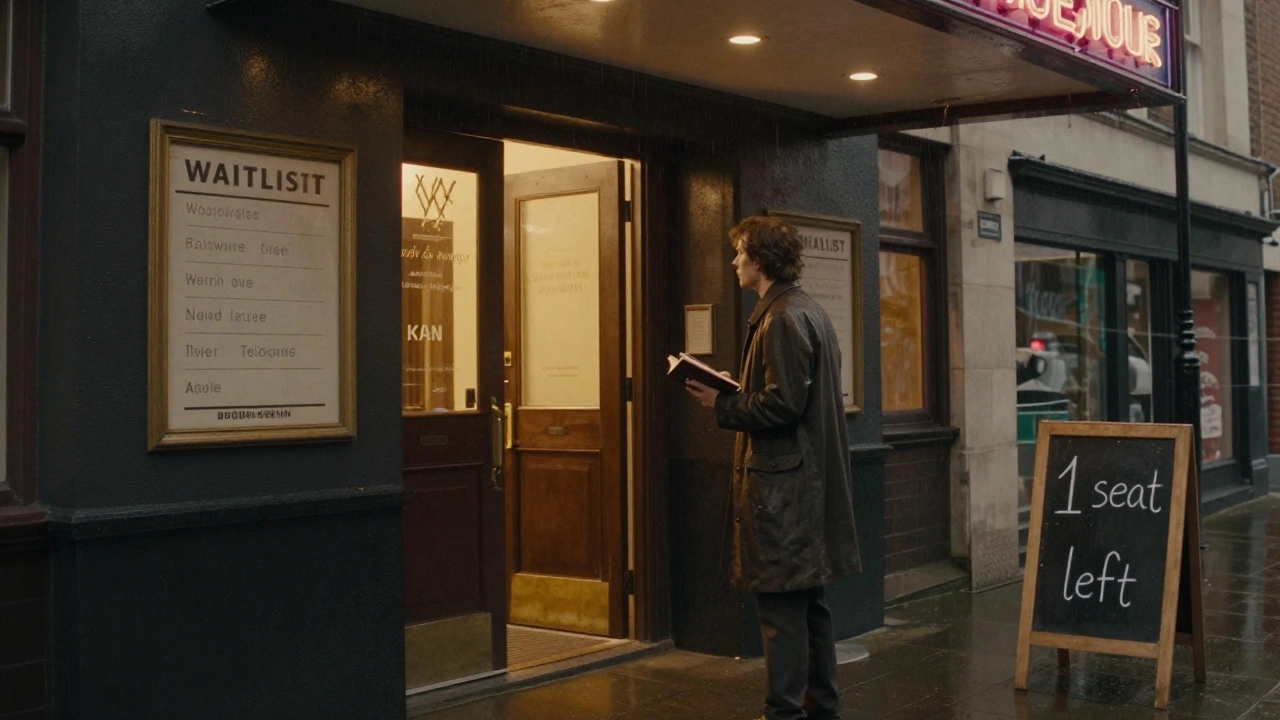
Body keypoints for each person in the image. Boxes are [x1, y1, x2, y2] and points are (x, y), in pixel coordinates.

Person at [685, 214, 861, 720]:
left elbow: (783, 405)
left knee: (782, 612)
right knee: (810, 607)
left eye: (741, 252)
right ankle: (820, 707)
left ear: (760, 259)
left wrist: (719, 405)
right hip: (806, 486)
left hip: (784, 492)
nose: (735, 260)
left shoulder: (782, 317)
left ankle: (784, 713)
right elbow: (793, 397)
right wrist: (734, 388)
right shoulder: (803, 310)